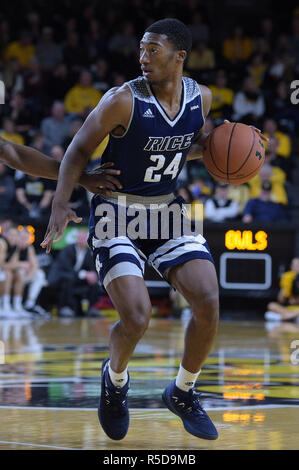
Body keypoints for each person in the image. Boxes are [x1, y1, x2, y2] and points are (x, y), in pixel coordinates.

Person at [41, 18, 267, 442]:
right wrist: (60, 203)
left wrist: (236, 148)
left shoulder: (203, 97)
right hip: (116, 211)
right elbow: (76, 151)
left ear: (180, 57)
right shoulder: (120, 100)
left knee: (208, 298)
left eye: (154, 50)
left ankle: (182, 391)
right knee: (138, 314)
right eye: (142, 49)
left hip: (165, 208)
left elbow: (193, 146)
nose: (143, 57)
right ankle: (116, 381)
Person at [47, 229, 102, 317]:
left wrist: (93, 275)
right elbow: (66, 268)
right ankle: (65, 307)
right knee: (69, 278)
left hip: (77, 278)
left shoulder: (88, 252)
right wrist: (85, 274)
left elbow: (92, 268)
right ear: (76, 239)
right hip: (61, 277)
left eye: (84, 238)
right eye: (80, 238)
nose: (82, 240)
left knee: (94, 280)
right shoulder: (68, 250)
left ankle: (92, 308)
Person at [265, 257, 299, 322]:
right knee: (271, 305)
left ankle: (285, 317)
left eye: (298, 265)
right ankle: (290, 316)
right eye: (294, 265)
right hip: (290, 309)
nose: (296, 267)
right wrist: (285, 289)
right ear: (291, 267)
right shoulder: (287, 277)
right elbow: (281, 301)